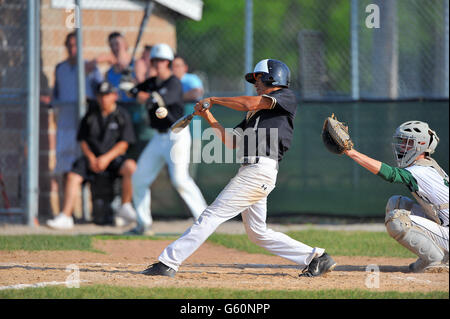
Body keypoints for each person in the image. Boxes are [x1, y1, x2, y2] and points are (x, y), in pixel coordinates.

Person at [141, 59, 337, 278]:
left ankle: (168, 262)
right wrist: (209, 116)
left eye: (259, 78)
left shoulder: (285, 97)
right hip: (251, 170)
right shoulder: (254, 113)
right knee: (258, 234)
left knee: (211, 215)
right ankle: (317, 257)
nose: (255, 83)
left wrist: (214, 99)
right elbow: (231, 141)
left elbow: (249, 103)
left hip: (259, 170)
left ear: (274, 77)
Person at [344, 121, 448, 272]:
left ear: (421, 144)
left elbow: (390, 175)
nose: (402, 146)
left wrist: (351, 152)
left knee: (398, 220)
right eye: (402, 142)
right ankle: (433, 256)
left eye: (407, 142)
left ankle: (438, 260)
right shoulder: (427, 165)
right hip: (444, 224)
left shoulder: (421, 170)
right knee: (397, 203)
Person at [126, 43, 208, 235]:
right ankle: (143, 224)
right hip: (159, 137)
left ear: (169, 62)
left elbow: (156, 99)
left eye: (163, 61)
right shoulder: (153, 81)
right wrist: (129, 85)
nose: (159, 64)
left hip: (177, 134)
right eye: (156, 60)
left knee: (180, 179)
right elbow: (136, 91)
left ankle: (205, 219)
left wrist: (141, 94)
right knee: (139, 178)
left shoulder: (174, 83)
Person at [46, 81, 137, 230]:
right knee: (72, 175)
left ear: (114, 96)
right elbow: (82, 140)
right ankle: (66, 216)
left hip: (113, 159)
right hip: (92, 159)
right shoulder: (90, 115)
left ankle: (125, 207)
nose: (104, 99)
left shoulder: (122, 115)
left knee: (131, 167)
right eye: (100, 96)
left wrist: (106, 158)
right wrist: (91, 158)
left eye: (107, 95)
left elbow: (124, 144)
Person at [172, 55, 204, 176]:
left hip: (193, 130)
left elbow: (196, 93)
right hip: (176, 131)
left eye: (178, 66)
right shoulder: (170, 82)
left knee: (191, 167)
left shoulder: (190, 79)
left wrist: (173, 97)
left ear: (185, 68)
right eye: (173, 66)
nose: (175, 69)